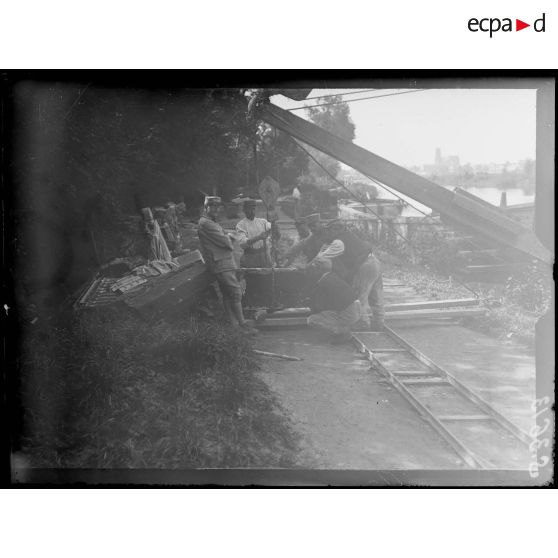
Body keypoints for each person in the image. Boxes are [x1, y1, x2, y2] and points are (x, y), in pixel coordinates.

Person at [198, 196, 258, 335]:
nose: (216, 210)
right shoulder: (207, 223)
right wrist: (230, 237)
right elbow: (226, 242)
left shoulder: (210, 222)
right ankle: (242, 324)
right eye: (212, 207)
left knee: (227, 294)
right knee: (235, 293)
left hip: (221, 261)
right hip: (221, 262)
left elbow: (224, 235)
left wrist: (227, 235)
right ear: (206, 207)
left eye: (217, 207)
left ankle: (234, 325)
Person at [311, 220, 385, 330]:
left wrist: (310, 266)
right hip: (374, 261)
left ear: (338, 229)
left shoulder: (339, 242)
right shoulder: (349, 236)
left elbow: (322, 258)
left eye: (331, 229)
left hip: (365, 266)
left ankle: (363, 324)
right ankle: (379, 322)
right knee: (376, 295)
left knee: (360, 296)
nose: (329, 232)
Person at [306, 258, 361, 344]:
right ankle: (343, 328)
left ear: (318, 270)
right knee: (327, 313)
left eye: (314, 268)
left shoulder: (323, 281)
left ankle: (343, 331)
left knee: (312, 320)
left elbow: (318, 307)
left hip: (349, 314)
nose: (313, 271)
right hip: (356, 309)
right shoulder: (333, 276)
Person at [235, 199, 273, 268]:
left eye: (253, 208)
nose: (252, 211)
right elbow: (243, 244)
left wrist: (273, 223)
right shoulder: (241, 225)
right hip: (250, 257)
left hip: (264, 256)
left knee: (267, 276)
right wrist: (259, 237)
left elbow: (271, 229)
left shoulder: (262, 222)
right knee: (253, 276)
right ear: (244, 210)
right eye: (249, 209)